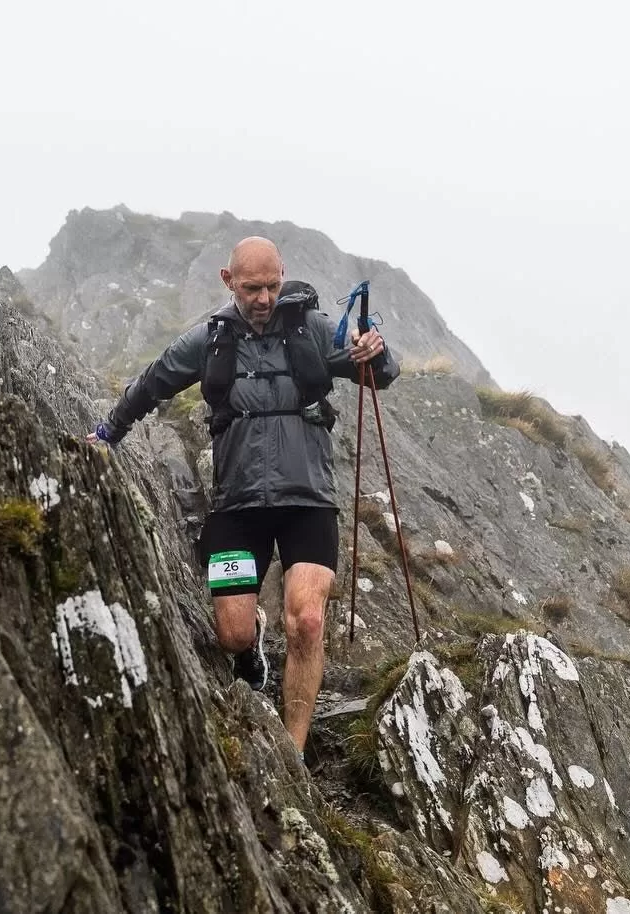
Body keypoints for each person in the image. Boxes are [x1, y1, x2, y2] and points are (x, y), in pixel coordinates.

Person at [87, 237, 398, 757]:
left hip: (308, 500)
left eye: (273, 285)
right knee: (231, 635)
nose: (264, 298)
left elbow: (380, 372)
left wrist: (376, 351)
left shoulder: (312, 328)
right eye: (252, 288)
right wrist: (107, 433)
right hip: (237, 503)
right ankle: (251, 648)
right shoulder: (208, 341)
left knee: (308, 620)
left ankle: (293, 755)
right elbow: (152, 383)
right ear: (227, 281)